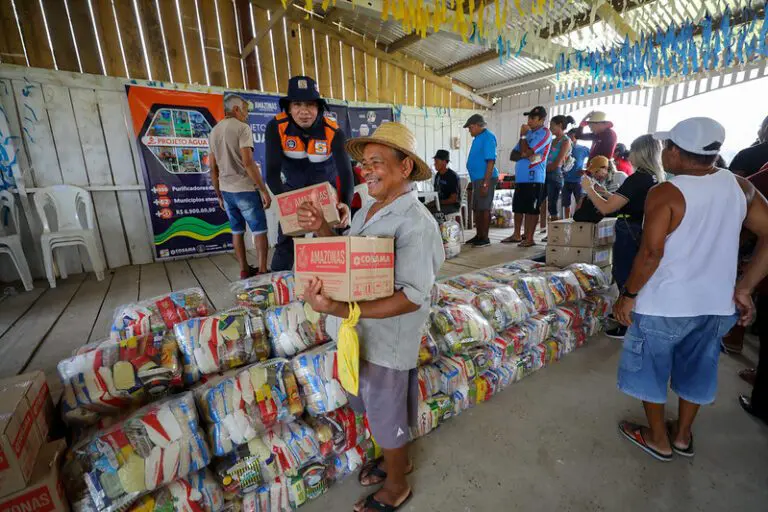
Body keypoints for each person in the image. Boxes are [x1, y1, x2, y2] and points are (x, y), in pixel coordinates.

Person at [297, 122, 444, 511]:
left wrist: (343, 309)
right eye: (364, 163)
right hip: (361, 333)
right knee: (375, 406)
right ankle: (401, 461)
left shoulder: (416, 223)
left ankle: (397, 486)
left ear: (405, 168)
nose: (366, 170)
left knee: (386, 411)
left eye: (376, 162)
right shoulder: (372, 208)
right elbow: (351, 256)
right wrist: (323, 227)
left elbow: (413, 296)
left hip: (388, 339)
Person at [612, 117, 768, 462]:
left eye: (667, 147)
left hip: (665, 303)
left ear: (678, 153)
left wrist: (628, 294)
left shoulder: (666, 192)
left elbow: (651, 253)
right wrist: (744, 288)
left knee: (650, 368)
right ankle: (682, 436)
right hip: (715, 304)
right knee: (698, 367)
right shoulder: (740, 186)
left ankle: (657, 438)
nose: (664, 152)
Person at [265, 75, 354, 271]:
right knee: (285, 246)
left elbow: (346, 174)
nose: (304, 111)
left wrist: (345, 204)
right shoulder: (275, 127)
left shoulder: (334, 132)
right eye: (297, 104)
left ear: (319, 108)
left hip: (325, 197)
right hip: (291, 193)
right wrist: (287, 203)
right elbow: (271, 173)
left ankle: (333, 291)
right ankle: (280, 291)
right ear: (288, 107)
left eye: (310, 105)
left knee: (330, 248)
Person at [580, 135, 664, 338]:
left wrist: (589, 189)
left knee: (624, 274)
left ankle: (627, 322)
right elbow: (622, 201)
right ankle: (630, 317)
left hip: (629, 228)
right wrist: (602, 192)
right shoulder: (653, 177)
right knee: (634, 273)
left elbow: (607, 208)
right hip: (640, 227)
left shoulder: (637, 178)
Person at [209, 94, 272, 279]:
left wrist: (219, 194)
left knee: (237, 231)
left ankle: (244, 270)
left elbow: (212, 168)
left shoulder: (214, 131)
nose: (247, 113)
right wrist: (263, 189)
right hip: (245, 190)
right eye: (245, 109)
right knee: (259, 231)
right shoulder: (243, 128)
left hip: (227, 191)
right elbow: (248, 162)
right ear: (236, 109)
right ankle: (262, 270)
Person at [502, 106, 551, 247]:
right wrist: (525, 152)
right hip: (521, 177)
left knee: (531, 209)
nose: (529, 121)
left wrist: (523, 139)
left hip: (534, 177)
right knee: (518, 207)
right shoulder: (529, 134)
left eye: (533, 118)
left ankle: (529, 238)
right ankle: (517, 234)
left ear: (542, 120)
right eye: (528, 117)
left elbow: (527, 151)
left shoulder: (544, 133)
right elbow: (514, 154)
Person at [463, 114, 498, 248]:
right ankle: (479, 235)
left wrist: (485, 183)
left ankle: (485, 237)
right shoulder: (478, 138)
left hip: (485, 178)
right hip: (477, 179)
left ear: (478, 125)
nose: (469, 130)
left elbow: (490, 161)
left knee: (484, 208)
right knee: (477, 208)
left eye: (471, 127)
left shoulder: (488, 137)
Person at [542, 115, 573, 226]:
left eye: (552, 125)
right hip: (546, 172)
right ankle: (545, 228)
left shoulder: (566, 140)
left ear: (560, 125)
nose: (550, 127)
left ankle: (554, 231)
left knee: (552, 203)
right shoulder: (552, 140)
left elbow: (557, 162)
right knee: (541, 201)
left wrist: (543, 169)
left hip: (554, 174)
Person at [563, 129, 590, 218]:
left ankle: (578, 220)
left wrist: (586, 170)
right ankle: (566, 222)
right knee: (565, 204)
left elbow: (595, 159)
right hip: (565, 180)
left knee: (580, 202)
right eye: (569, 136)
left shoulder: (583, 149)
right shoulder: (562, 148)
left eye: (573, 136)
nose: (571, 138)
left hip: (578, 180)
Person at [432, 149, 461, 214]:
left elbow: (453, 199)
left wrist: (438, 202)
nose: (434, 164)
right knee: (423, 209)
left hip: (452, 206)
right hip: (440, 204)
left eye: (437, 161)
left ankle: (440, 224)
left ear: (444, 162)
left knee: (431, 213)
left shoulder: (452, 176)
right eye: (434, 161)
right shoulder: (438, 175)